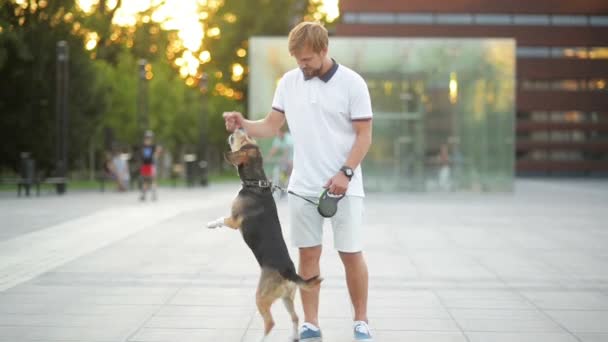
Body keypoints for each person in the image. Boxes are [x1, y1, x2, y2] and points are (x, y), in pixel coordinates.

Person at [223, 21, 374, 341]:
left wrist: (345, 173)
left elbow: (364, 136)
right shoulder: (290, 82)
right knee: (308, 255)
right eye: (297, 59)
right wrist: (243, 123)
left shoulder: (352, 84)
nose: (302, 65)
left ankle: (361, 322)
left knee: (351, 254)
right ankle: (311, 323)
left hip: (344, 187)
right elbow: (269, 126)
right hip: (302, 186)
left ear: (323, 50)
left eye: (307, 59)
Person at [139, 130, 162, 201]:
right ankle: (149, 195)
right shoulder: (151, 146)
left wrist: (157, 153)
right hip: (149, 165)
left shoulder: (146, 146)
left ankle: (146, 195)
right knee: (150, 180)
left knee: (148, 180)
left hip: (148, 165)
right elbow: (157, 152)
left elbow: (157, 153)